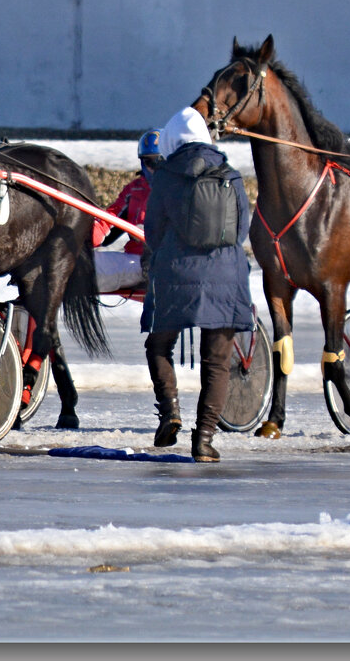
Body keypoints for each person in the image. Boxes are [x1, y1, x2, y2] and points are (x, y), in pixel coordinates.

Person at [141, 107, 253, 463]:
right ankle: (203, 440)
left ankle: (170, 411)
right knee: (217, 362)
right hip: (226, 277)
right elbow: (242, 230)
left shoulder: (165, 177)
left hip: (176, 276)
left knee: (159, 346)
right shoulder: (231, 175)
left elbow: (153, 231)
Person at [91, 129, 161, 293]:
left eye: (160, 162)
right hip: (135, 259)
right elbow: (108, 220)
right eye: (149, 162)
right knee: (71, 264)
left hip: (164, 264)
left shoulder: (179, 189)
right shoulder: (134, 189)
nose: (155, 168)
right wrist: (81, 235)